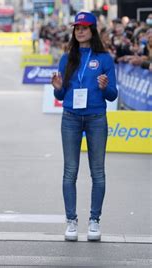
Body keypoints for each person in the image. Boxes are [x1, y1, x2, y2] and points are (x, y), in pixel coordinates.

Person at [51, 12, 117, 242]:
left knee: (97, 172)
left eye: (84, 27)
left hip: (96, 117)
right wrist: (57, 88)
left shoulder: (105, 59)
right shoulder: (67, 57)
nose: (79, 31)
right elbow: (60, 94)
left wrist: (105, 86)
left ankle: (94, 221)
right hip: (70, 117)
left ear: (93, 31)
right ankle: (71, 221)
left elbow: (112, 95)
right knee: (70, 171)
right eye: (77, 27)